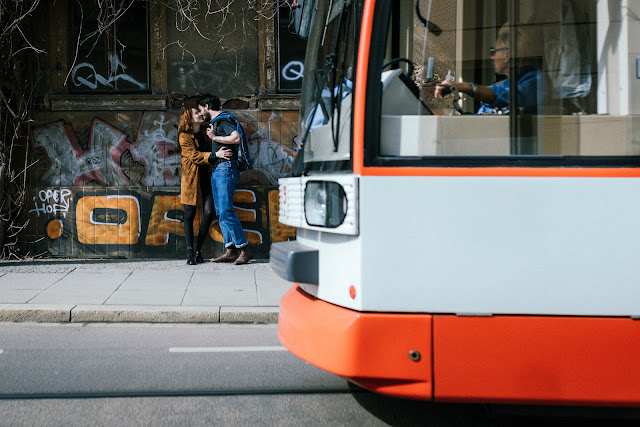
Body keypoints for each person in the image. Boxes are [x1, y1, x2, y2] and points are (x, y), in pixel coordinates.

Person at [434, 23, 542, 114]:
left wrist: (464, 86)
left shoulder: (536, 80)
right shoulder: (508, 83)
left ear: (507, 55)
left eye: (493, 51)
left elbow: (503, 96)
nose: (492, 57)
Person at [198, 94, 252, 265]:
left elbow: (236, 138)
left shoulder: (223, 120)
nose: (201, 113)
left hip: (226, 169)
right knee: (221, 211)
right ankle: (230, 250)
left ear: (207, 106)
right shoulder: (217, 122)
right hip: (218, 170)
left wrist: (214, 138)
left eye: (201, 109)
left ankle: (244, 249)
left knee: (226, 210)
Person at [178, 101, 215, 265]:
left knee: (208, 212)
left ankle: (199, 250)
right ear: (189, 119)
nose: (200, 114)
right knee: (189, 215)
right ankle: (190, 253)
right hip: (191, 180)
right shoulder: (184, 136)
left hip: (206, 179)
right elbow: (193, 156)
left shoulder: (205, 133)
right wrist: (215, 156)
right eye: (196, 113)